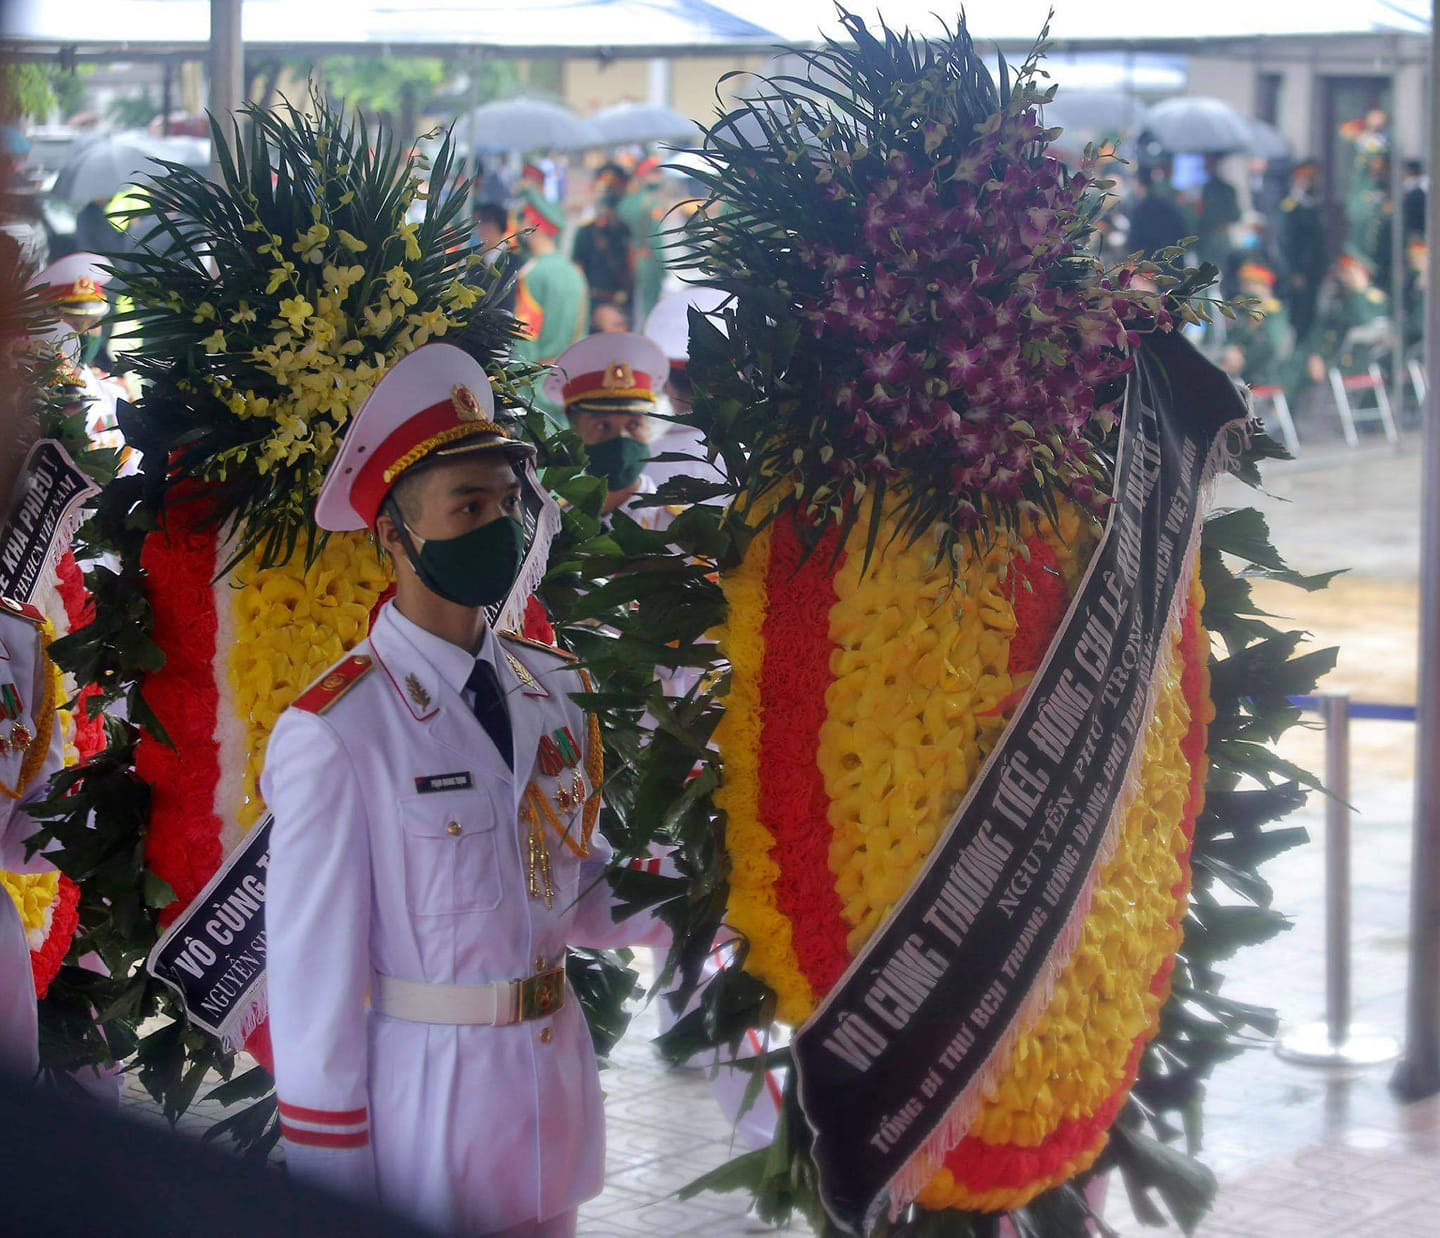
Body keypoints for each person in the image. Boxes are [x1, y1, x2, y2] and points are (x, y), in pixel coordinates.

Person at [262, 341, 671, 1238]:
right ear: (393, 536)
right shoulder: (338, 732)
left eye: (506, 502)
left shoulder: (553, 689)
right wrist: (329, 1190)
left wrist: (713, 891)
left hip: (549, 1104)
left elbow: (577, 889)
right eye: (468, 505)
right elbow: (312, 995)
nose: (500, 525)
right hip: (426, 1126)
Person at [543, 332, 672, 528]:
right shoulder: (554, 526)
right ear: (574, 434)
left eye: (633, 425)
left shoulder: (676, 528)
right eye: (602, 426)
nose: (620, 438)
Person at [513, 187, 588, 422]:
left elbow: (524, 336)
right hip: (568, 378)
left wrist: (520, 387)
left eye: (524, 218)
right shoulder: (573, 272)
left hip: (537, 383)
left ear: (534, 224)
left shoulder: (533, 274)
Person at [1303, 251, 1391, 387]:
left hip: (1350, 362)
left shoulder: (1374, 298)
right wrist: (1315, 354)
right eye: (1343, 272)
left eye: (1349, 273)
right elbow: (1320, 329)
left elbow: (1364, 322)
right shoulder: (1340, 298)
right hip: (1324, 359)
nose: (1344, 278)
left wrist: (1358, 291)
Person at [571, 163, 633, 322]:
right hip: (595, 301)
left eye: (614, 189)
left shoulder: (624, 229)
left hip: (622, 301)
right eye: (605, 189)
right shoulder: (587, 231)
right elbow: (577, 267)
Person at [1218, 262, 1294, 392]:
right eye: (1244, 284)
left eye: (1251, 285)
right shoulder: (1243, 311)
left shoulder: (1274, 313)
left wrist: (1243, 360)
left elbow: (1273, 346)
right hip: (1237, 373)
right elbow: (1231, 338)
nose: (1245, 289)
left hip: (1263, 376)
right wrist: (1229, 352)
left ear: (1265, 287)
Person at [1277, 159, 1328, 340]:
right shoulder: (1292, 207)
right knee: (1300, 315)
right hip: (1299, 271)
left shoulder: (1313, 204)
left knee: (1312, 312)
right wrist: (1294, 271)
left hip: (1313, 270)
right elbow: (1287, 242)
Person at [617, 157, 666, 326]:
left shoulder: (625, 202)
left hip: (628, 259)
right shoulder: (651, 203)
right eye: (653, 173)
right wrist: (662, 266)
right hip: (647, 259)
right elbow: (655, 238)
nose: (659, 177)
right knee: (649, 307)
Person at [1125, 164, 1191, 270]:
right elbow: (1183, 233)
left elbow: (1134, 242)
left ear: (1139, 184)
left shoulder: (1140, 210)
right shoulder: (1168, 205)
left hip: (1151, 267)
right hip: (1174, 264)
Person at [1195, 153, 1241, 270]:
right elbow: (1236, 214)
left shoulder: (1206, 190)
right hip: (1219, 236)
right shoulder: (1228, 189)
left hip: (1212, 238)